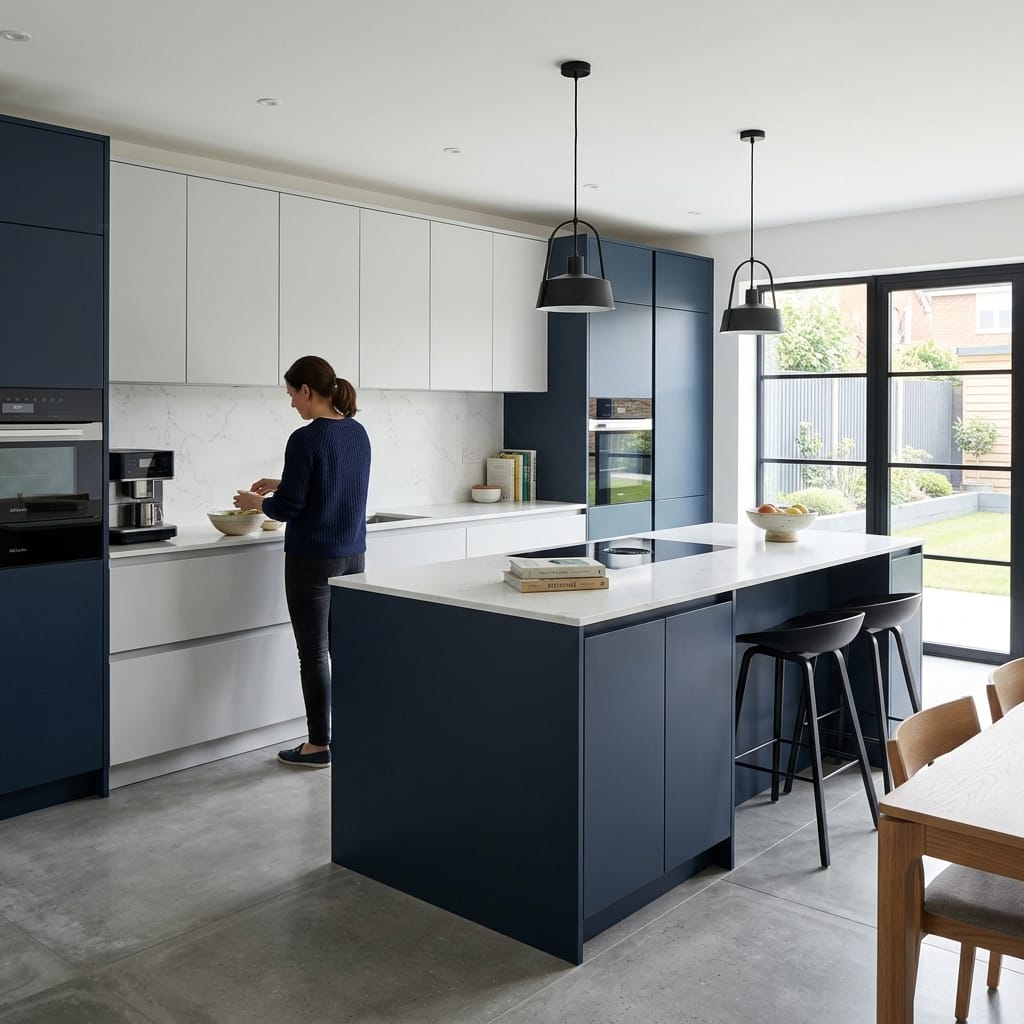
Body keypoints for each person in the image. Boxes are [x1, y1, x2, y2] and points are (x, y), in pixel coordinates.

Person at [234, 356, 370, 768]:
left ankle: (317, 746)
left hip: (312, 560)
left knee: (313, 654)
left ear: (307, 391)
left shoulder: (304, 438)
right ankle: (354, 735)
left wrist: (256, 502)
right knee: (347, 649)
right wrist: (283, 481)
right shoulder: (358, 432)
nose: (292, 402)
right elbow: (331, 481)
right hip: (353, 556)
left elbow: (288, 508)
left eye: (292, 393)